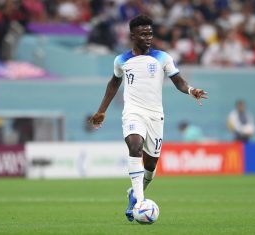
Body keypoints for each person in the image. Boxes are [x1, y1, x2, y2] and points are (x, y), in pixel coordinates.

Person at [89, 15, 208, 222]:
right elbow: (113, 84)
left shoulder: (162, 57)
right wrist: (102, 110)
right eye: (143, 34)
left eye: (150, 34)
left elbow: (178, 81)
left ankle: (133, 193)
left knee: (151, 167)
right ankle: (141, 202)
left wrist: (191, 90)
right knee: (135, 146)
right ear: (132, 36)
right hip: (133, 112)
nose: (148, 37)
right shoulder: (121, 60)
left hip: (155, 116)